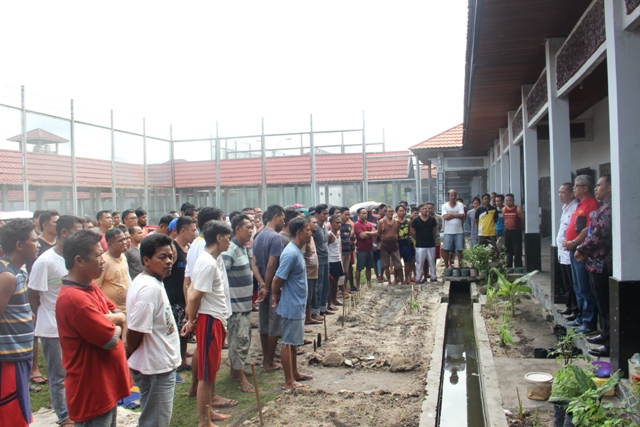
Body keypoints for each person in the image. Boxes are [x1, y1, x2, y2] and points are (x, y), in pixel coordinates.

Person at [56, 229, 131, 425]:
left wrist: (110, 318)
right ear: (79, 260)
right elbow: (110, 339)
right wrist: (117, 321)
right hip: (91, 389)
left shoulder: (90, 286)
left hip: (105, 384)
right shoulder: (74, 299)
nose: (103, 260)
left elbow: (118, 313)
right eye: (98, 255)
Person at [27, 215, 83, 427]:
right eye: (77, 231)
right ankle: (64, 417)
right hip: (52, 327)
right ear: (64, 233)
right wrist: (48, 311)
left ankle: (75, 409)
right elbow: (33, 294)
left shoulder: (73, 258)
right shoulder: (45, 261)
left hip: (74, 325)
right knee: (58, 375)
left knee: (74, 372)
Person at [126, 233, 180, 427]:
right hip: (155, 366)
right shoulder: (149, 288)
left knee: (152, 416)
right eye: (162, 257)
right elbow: (135, 330)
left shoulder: (154, 282)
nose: (168, 261)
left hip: (158, 363)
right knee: (155, 421)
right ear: (146, 260)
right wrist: (129, 353)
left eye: (170, 256)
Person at [182, 220, 232, 427]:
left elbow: (192, 287)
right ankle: (204, 421)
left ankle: (209, 413)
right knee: (206, 373)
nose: (230, 243)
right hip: (209, 320)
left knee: (211, 370)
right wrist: (191, 321)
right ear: (219, 238)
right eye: (227, 238)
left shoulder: (209, 259)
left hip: (214, 318)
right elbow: (194, 296)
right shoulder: (208, 262)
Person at [0, 219, 39, 427]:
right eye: (34, 240)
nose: (38, 243)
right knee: (10, 416)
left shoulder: (18, 272)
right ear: (19, 245)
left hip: (19, 355)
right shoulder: (6, 275)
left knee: (20, 411)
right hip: (8, 359)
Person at [272, 217, 313, 390]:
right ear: (299, 232)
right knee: (288, 343)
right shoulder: (290, 253)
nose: (310, 232)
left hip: (297, 303)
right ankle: (289, 381)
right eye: (308, 230)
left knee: (294, 342)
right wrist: (276, 295)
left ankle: (295, 373)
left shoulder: (298, 250)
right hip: (291, 304)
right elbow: (277, 279)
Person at [575, 175, 612, 356]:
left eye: (599, 185)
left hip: (603, 262)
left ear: (610, 188)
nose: (596, 188)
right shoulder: (601, 208)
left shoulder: (609, 210)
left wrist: (581, 248)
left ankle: (609, 343)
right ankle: (605, 336)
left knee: (605, 303)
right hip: (594, 262)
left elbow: (597, 235)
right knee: (600, 301)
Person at [222, 214, 255, 393]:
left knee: (242, 338)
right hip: (235, 306)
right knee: (240, 339)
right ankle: (240, 377)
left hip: (244, 304)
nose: (251, 231)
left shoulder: (242, 248)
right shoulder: (230, 250)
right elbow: (222, 278)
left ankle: (236, 370)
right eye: (248, 228)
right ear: (237, 229)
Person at [562, 175, 599, 335]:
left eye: (576, 186)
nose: (574, 189)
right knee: (577, 286)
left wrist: (576, 244)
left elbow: (588, 230)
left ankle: (589, 322)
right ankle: (581, 317)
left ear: (585, 188)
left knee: (584, 287)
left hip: (581, 251)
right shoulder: (579, 204)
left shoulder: (591, 204)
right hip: (572, 249)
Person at [251, 204, 285, 371]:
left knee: (263, 323)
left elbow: (254, 263)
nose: (284, 222)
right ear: (276, 217)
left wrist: (261, 284)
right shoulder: (276, 238)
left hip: (263, 285)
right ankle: (269, 361)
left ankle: (266, 358)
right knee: (273, 324)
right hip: (272, 288)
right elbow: (272, 265)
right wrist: (268, 285)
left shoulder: (258, 235)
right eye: (283, 218)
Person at [164, 216, 198, 371]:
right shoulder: (173, 249)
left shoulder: (189, 248)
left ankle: (183, 360)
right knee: (175, 332)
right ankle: (174, 362)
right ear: (182, 231)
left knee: (185, 331)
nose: (195, 232)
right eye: (192, 230)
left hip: (185, 297)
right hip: (174, 297)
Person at [556, 183, 580, 320]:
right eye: (559, 192)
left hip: (571, 250)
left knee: (573, 283)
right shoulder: (565, 208)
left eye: (563, 192)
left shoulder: (575, 208)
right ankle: (569, 306)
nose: (560, 195)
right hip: (562, 251)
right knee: (567, 283)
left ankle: (575, 310)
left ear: (571, 193)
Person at [95, 228, 130, 313]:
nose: (124, 242)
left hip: (127, 310)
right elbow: (96, 288)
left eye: (124, 239)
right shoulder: (104, 261)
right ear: (110, 244)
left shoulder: (123, 257)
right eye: (120, 240)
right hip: (113, 312)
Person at [312, 204, 334, 316]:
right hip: (318, 261)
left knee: (326, 285)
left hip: (326, 260)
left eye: (327, 213)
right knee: (318, 286)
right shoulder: (315, 228)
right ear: (317, 215)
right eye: (324, 214)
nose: (326, 216)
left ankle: (323, 308)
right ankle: (315, 310)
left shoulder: (325, 227)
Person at [411, 203, 439, 283]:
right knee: (420, 262)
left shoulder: (432, 219)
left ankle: (433, 277)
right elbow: (412, 231)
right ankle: (418, 278)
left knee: (432, 262)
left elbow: (434, 230)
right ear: (419, 210)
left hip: (431, 244)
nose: (425, 210)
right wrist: (418, 238)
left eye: (426, 209)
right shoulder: (416, 220)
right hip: (420, 245)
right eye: (423, 209)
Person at [353, 207, 378, 288]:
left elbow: (375, 233)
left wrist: (367, 233)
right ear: (358, 214)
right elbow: (362, 236)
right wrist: (370, 233)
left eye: (366, 213)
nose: (365, 215)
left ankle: (369, 282)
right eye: (363, 213)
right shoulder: (357, 224)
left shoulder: (368, 223)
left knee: (369, 267)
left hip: (369, 248)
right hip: (361, 249)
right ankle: (357, 285)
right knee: (359, 268)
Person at [377, 205, 402, 285]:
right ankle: (389, 281)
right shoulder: (382, 222)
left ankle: (401, 280)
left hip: (394, 246)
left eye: (392, 211)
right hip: (384, 246)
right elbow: (379, 233)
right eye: (389, 211)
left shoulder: (396, 221)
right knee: (385, 265)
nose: (391, 213)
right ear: (385, 212)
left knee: (398, 264)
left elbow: (397, 231)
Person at [441, 189, 466, 268]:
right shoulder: (444, 205)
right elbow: (445, 217)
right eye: (451, 195)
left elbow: (462, 216)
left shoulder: (460, 205)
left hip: (459, 231)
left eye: (455, 195)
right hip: (448, 231)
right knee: (446, 249)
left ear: (457, 196)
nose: (453, 197)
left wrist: (451, 214)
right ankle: (446, 265)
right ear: (448, 196)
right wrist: (457, 215)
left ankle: (460, 265)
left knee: (460, 249)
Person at [303, 216, 320, 324]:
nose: (316, 224)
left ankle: (310, 316)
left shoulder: (312, 237)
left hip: (314, 273)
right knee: (307, 297)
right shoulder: (305, 239)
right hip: (308, 273)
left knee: (312, 295)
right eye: (314, 222)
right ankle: (306, 318)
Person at [503, 193, 525, 268]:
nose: (508, 202)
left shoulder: (518, 209)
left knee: (517, 251)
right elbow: (504, 219)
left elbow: (522, 220)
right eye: (507, 200)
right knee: (508, 251)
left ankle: (518, 267)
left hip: (516, 232)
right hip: (507, 232)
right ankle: (508, 266)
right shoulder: (504, 209)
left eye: (510, 200)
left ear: (513, 200)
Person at [327, 214, 345, 305]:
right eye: (337, 223)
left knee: (336, 281)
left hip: (337, 260)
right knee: (331, 282)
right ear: (331, 224)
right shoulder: (330, 235)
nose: (339, 224)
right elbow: (326, 248)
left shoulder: (338, 233)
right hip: (331, 261)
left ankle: (334, 299)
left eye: (340, 222)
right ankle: (329, 301)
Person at [396, 204, 415, 284]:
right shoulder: (395, 221)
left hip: (407, 243)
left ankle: (407, 277)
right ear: (397, 212)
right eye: (400, 211)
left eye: (403, 210)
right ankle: (398, 278)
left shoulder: (408, 221)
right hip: (397, 244)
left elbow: (411, 232)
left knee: (408, 262)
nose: (402, 212)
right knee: (397, 263)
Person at [339, 207, 356, 292]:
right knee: (340, 272)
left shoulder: (349, 225)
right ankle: (340, 290)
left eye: (348, 214)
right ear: (340, 215)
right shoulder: (338, 226)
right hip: (340, 253)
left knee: (346, 272)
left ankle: (345, 288)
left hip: (348, 251)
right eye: (345, 214)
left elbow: (349, 237)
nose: (347, 216)